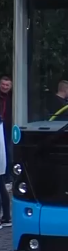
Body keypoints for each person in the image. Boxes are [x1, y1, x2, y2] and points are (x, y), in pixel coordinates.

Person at [0, 75, 12, 228]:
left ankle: (6, 216)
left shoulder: (13, 99)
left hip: (6, 132)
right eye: (3, 84)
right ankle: (7, 216)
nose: (4, 87)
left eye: (7, 85)